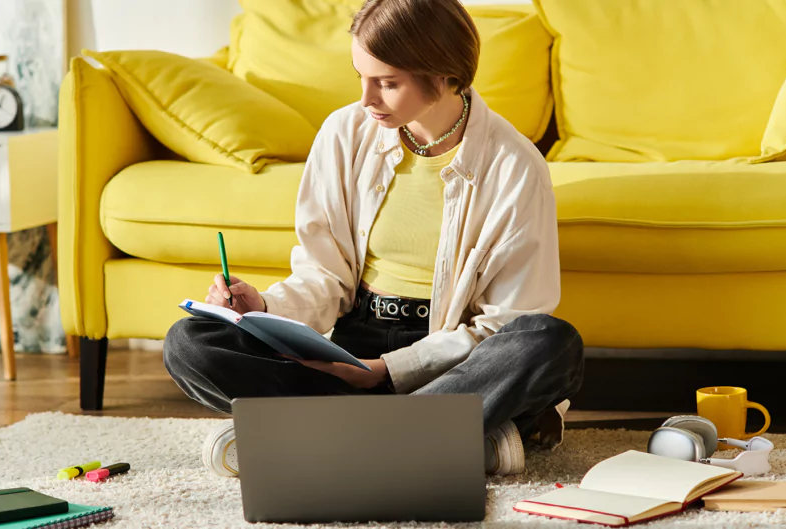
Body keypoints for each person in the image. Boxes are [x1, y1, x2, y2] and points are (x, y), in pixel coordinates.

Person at [163, 0, 584, 478]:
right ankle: (438, 436)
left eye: (387, 82)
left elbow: (505, 324)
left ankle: (324, 436)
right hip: (350, 346)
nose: (366, 98)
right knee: (190, 342)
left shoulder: (514, 165)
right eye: (360, 76)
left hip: (449, 357)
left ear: (444, 75)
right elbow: (325, 275)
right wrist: (260, 307)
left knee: (550, 343)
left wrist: (386, 369)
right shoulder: (345, 133)